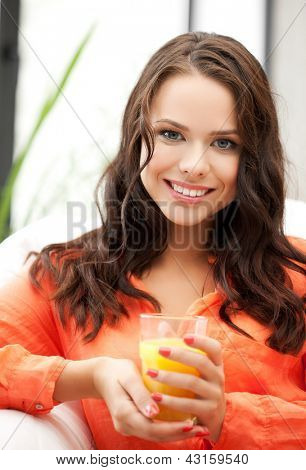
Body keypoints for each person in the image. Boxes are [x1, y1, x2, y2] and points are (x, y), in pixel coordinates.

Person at [0, 31, 305, 450]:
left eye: (223, 142)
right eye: (171, 135)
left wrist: (225, 418)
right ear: (137, 137)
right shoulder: (73, 277)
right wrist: (89, 377)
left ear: (251, 159)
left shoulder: (297, 278)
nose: (193, 165)